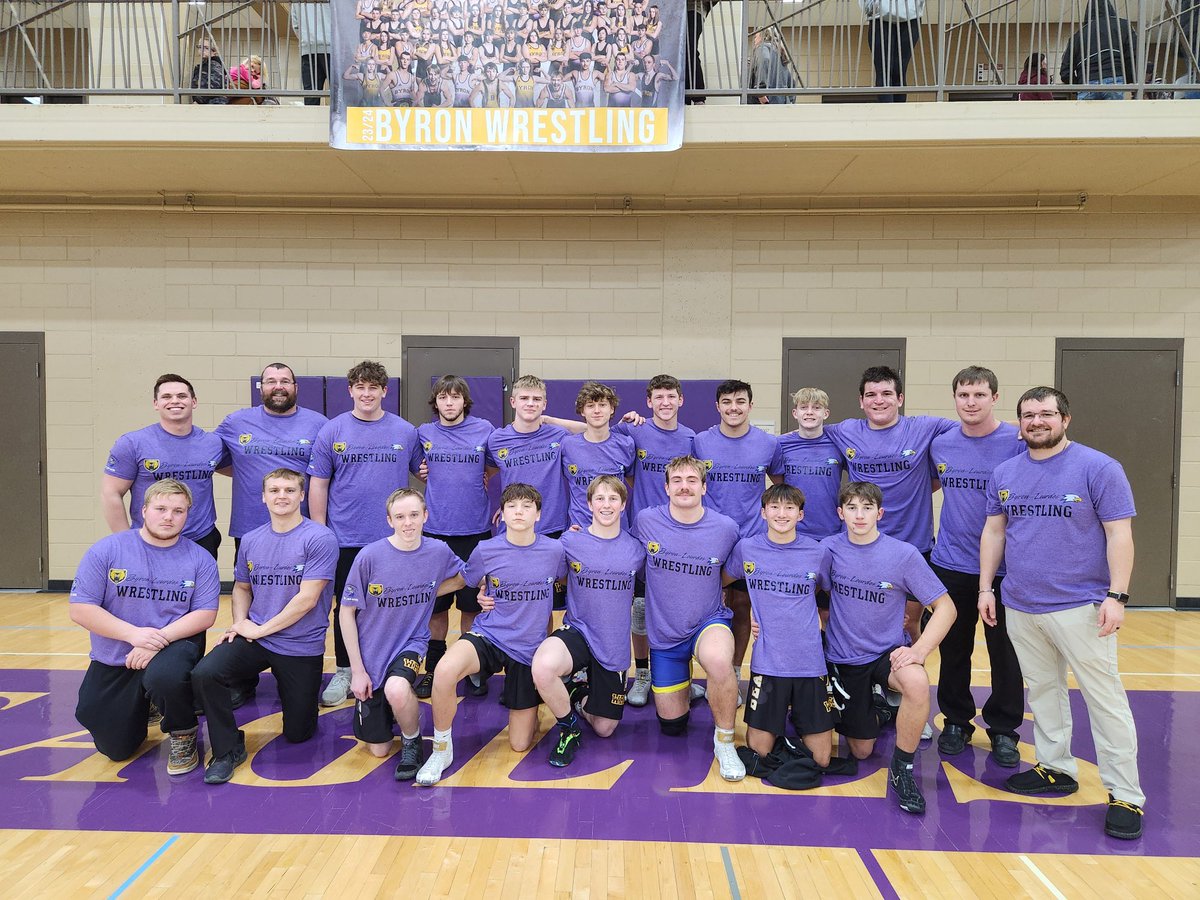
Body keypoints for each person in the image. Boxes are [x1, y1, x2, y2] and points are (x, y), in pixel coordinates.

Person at [979, 386, 1144, 840]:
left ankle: (1126, 793)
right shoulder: (1006, 472)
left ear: (1065, 419)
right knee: (1044, 691)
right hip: (1020, 603)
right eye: (1028, 415)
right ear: (1019, 423)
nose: (1037, 421)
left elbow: (1119, 535)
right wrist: (985, 588)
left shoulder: (1099, 468)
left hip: (1081, 606)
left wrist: (1118, 595)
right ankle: (1055, 768)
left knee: (1103, 699)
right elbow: (994, 533)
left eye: (1046, 414)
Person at [191, 469, 339, 784]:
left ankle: (300, 711)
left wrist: (258, 630)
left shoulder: (320, 538)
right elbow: (242, 589)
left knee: (299, 733)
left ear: (302, 496)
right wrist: (241, 622)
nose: (281, 496)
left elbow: (308, 599)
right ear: (263, 496)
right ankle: (227, 748)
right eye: (274, 490)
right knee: (205, 673)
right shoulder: (252, 540)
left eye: (289, 490)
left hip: (299, 643)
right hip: (257, 636)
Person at [415, 484, 567, 786]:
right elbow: (463, 580)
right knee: (445, 670)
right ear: (502, 514)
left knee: (520, 743)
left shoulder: (555, 551)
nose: (519, 512)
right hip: (491, 635)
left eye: (527, 506)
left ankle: (537, 700)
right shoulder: (486, 549)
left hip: (528, 650)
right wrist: (417, 594)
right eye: (512, 506)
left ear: (538, 514)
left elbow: (565, 584)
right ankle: (441, 749)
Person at [821, 481, 956, 814]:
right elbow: (803, 591)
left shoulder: (903, 555)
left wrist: (920, 650)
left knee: (916, 682)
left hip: (887, 654)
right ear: (841, 514)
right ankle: (880, 708)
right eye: (851, 508)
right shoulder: (826, 550)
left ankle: (903, 769)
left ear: (880, 513)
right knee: (862, 751)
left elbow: (947, 608)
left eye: (867, 508)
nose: (860, 515)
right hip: (844, 657)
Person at [70, 480, 220, 776]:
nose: (169, 517)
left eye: (178, 511)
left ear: (187, 515)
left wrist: (156, 639)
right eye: (161, 509)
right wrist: (133, 635)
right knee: (114, 746)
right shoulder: (108, 550)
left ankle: (183, 732)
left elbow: (205, 614)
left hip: (172, 645)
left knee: (166, 676)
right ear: (143, 510)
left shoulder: (199, 558)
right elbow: (80, 609)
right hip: (118, 653)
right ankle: (144, 706)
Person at [307, 360, 423, 707]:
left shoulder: (405, 431)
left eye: (374, 387)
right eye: (361, 387)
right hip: (344, 537)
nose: (367, 393)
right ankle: (345, 669)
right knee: (347, 606)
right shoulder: (333, 431)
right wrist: (320, 530)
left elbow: (427, 471)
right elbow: (319, 482)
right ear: (351, 391)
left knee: (391, 603)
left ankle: (394, 666)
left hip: (393, 539)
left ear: (385, 391)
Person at [929, 366, 1024, 766]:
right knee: (953, 650)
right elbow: (932, 485)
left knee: (1006, 654)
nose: (971, 403)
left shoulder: (1017, 442)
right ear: (955, 399)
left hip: (1005, 569)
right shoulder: (942, 443)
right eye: (964, 395)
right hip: (951, 562)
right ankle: (956, 720)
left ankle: (1003, 728)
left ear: (994, 398)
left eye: (979, 395)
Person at [340, 489, 466, 780]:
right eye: (400, 517)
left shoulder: (438, 551)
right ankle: (394, 708)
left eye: (413, 515)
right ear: (389, 520)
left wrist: (433, 590)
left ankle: (412, 740)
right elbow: (346, 613)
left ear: (425, 516)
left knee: (397, 688)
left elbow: (464, 577)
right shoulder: (369, 556)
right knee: (379, 749)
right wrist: (356, 671)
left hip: (411, 643)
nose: (407, 523)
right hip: (371, 653)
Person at [636, 455, 744, 781]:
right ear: (666, 487)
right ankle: (693, 691)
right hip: (665, 634)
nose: (685, 487)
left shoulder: (725, 528)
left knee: (718, 661)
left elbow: (730, 573)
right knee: (671, 725)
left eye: (692, 480)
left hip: (706, 622)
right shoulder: (645, 521)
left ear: (704, 486)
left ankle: (725, 741)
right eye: (678, 481)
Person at [531, 476, 645, 767]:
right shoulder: (570, 541)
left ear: (623, 505)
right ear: (589, 504)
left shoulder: (636, 548)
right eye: (600, 499)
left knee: (605, 729)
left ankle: (578, 693)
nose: (606, 505)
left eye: (613, 499)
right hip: (579, 631)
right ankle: (568, 728)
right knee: (543, 667)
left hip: (613, 643)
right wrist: (487, 590)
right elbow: (535, 571)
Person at [726, 485, 835, 767]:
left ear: (800, 514)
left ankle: (794, 718)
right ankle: (782, 721)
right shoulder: (747, 549)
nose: (781, 514)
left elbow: (832, 595)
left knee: (821, 759)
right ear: (763, 513)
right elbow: (719, 582)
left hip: (809, 662)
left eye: (789, 508)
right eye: (774, 507)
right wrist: (748, 612)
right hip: (768, 663)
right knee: (760, 751)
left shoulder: (818, 552)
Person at [615, 375, 695, 708]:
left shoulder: (692, 438)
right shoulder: (634, 431)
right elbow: (592, 433)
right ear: (648, 402)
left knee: (679, 610)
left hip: (681, 538)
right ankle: (643, 673)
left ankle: (683, 678)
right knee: (639, 610)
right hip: (641, 536)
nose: (665, 402)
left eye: (671, 396)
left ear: (681, 400)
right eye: (658, 397)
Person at [692, 380, 782, 673]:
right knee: (703, 607)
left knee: (742, 608)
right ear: (717, 407)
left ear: (750, 406)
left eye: (740, 401)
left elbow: (781, 487)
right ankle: (702, 673)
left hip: (751, 539)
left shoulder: (768, 444)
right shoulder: (701, 442)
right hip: (710, 540)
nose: (734, 408)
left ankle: (732, 671)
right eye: (727, 402)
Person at [414, 375, 496, 698]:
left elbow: (491, 467)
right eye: (443, 398)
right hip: (435, 534)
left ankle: (472, 669)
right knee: (436, 607)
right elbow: (418, 466)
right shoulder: (424, 433)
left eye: (455, 397)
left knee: (470, 607)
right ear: (436, 403)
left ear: (465, 401)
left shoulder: (484, 430)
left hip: (474, 533)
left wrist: (481, 480)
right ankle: (433, 668)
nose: (449, 403)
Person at [101, 374, 228, 561]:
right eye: (167, 397)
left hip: (200, 539)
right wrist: (126, 542)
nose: (175, 401)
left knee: (202, 591)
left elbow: (242, 470)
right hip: (149, 541)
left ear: (194, 402)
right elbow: (110, 492)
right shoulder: (133, 443)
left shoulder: (212, 443)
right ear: (156, 403)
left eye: (181, 396)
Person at [560, 382, 635, 528]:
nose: (596, 411)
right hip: (580, 530)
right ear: (582, 411)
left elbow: (636, 485)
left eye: (602, 405)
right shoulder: (567, 445)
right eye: (590, 406)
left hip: (617, 530)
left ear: (612, 409)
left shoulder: (626, 444)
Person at [778, 388, 844, 542]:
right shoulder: (780, 444)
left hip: (830, 531)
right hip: (792, 531)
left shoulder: (838, 444)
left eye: (816, 407)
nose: (809, 412)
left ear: (825, 413)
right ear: (795, 413)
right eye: (803, 407)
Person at [1059, 0, 1137, 99]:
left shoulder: (1078, 36)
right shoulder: (1123, 26)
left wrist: (1079, 84)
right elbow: (1133, 57)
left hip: (1086, 83)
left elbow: (1065, 72)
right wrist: (1129, 79)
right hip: (1114, 78)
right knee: (1113, 114)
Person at [860, 0, 923, 102]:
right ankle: (887, 114)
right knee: (884, 72)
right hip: (879, 15)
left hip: (911, 15)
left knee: (899, 72)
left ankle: (898, 114)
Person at [291, 0, 333, 104]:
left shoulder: (296, 2)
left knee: (311, 95)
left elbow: (295, 24)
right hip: (332, 47)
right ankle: (340, 119)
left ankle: (311, 119)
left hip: (308, 48)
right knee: (338, 93)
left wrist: (305, 39)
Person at [748, 29, 795, 104]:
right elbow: (792, 82)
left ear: (763, 37)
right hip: (780, 102)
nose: (754, 40)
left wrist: (761, 92)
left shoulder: (762, 48)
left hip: (766, 102)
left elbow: (764, 60)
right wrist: (790, 101)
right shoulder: (780, 55)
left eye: (756, 37)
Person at [190, 37, 229, 105]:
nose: (201, 50)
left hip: (214, 105)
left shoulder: (214, 64)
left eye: (206, 48)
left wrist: (198, 101)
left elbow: (212, 86)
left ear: (214, 51)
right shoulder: (205, 64)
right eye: (199, 47)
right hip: (207, 104)